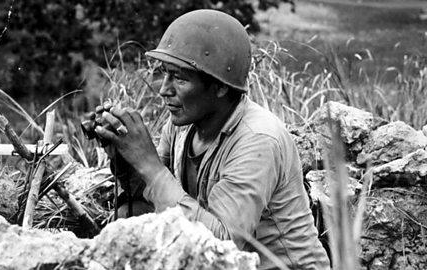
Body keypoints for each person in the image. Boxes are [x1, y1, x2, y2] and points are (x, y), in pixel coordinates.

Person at [93, 9, 330, 270]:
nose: (164, 89)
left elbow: (222, 244)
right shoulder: (184, 123)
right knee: (130, 215)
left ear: (220, 87)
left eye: (180, 78)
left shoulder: (258, 140)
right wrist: (125, 152)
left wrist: (150, 165)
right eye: (165, 73)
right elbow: (153, 197)